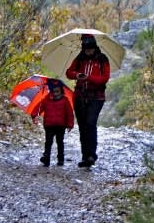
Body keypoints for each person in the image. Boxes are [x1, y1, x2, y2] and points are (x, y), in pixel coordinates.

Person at [66, 34, 110, 167]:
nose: (88, 51)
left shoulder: (102, 59)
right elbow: (69, 73)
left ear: (95, 47)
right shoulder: (80, 58)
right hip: (79, 96)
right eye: (86, 49)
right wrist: (77, 75)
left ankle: (91, 155)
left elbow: (104, 78)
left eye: (90, 49)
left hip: (96, 97)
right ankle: (85, 157)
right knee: (83, 127)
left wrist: (88, 78)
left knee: (90, 124)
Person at [35, 79, 74, 167]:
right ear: (51, 91)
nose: (56, 93)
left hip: (61, 125)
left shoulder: (65, 100)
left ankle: (60, 159)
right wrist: (35, 115)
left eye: (58, 91)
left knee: (60, 142)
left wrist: (70, 124)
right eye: (54, 91)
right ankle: (46, 158)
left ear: (61, 91)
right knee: (48, 142)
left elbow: (69, 113)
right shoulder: (46, 99)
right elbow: (39, 108)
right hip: (49, 125)